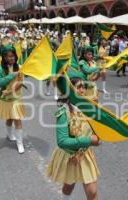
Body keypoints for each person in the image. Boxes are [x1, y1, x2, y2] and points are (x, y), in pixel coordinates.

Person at [46, 71, 100, 200]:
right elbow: (62, 141)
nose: (82, 90)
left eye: (83, 86)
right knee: (69, 185)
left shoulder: (90, 107)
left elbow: (98, 128)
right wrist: (89, 140)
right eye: (78, 86)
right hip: (69, 155)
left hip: (85, 154)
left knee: (92, 192)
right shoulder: (63, 112)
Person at [0, 45, 26, 154]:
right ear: (4, 58)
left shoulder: (20, 67)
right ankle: (10, 134)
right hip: (5, 99)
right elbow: (0, 83)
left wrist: (12, 91)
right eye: (9, 56)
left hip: (16, 97)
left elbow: (20, 83)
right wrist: (12, 75)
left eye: (13, 56)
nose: (12, 58)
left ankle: (20, 143)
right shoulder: (0, 69)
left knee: (17, 118)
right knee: (10, 118)